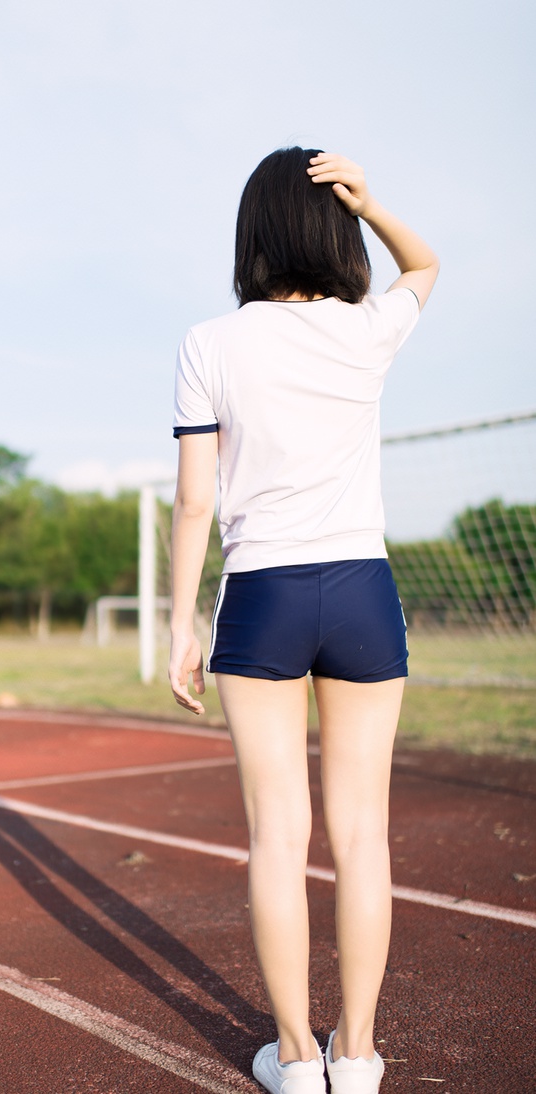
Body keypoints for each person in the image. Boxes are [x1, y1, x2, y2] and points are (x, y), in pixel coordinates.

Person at [168, 149, 439, 1094]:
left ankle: (292, 1059)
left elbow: (195, 503)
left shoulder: (211, 341)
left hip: (263, 598)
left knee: (277, 836)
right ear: (334, 228)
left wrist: (179, 625)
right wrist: (375, 206)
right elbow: (427, 268)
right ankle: (357, 1054)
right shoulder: (366, 331)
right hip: (362, 589)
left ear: (253, 232)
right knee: (363, 834)